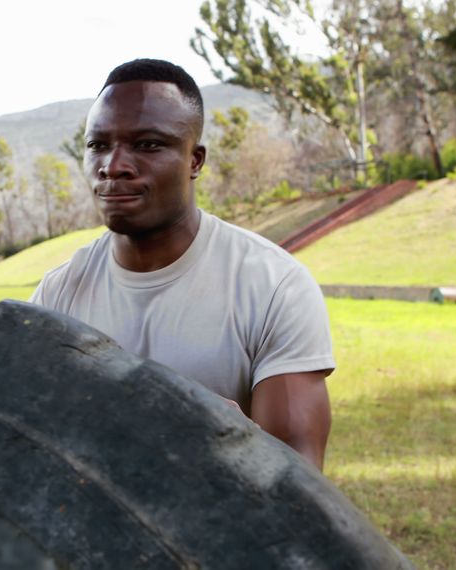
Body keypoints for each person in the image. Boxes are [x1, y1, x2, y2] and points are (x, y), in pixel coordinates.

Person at [29, 59, 335, 470]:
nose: (113, 165)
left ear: (195, 160)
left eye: (148, 144)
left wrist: (230, 438)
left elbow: (301, 481)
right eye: (98, 145)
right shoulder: (56, 295)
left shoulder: (274, 286)